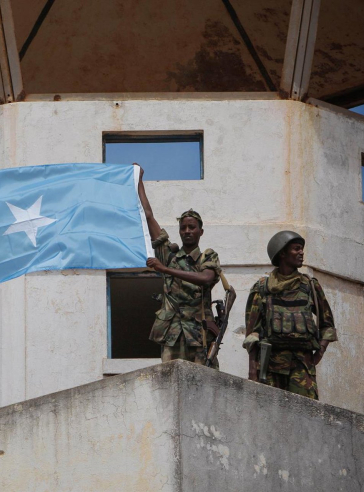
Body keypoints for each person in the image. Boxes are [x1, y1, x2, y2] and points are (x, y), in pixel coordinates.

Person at [135, 165, 223, 366]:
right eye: (183, 228)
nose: (187, 231)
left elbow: (206, 278)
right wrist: (138, 180)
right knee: (168, 379)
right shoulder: (169, 255)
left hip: (199, 337)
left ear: (201, 231)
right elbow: (148, 216)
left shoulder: (207, 256)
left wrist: (165, 269)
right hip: (172, 335)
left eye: (192, 227)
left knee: (202, 382)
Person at [243, 231, 337, 399]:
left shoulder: (309, 286)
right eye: (296, 249)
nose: (301, 253)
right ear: (282, 253)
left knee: (306, 412)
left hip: (302, 368)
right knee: (268, 410)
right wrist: (253, 371)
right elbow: (252, 334)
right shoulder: (262, 288)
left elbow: (328, 325)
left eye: (302, 249)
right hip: (270, 366)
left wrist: (319, 353)